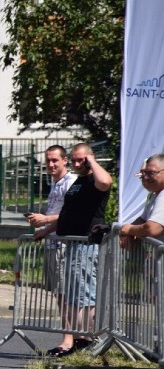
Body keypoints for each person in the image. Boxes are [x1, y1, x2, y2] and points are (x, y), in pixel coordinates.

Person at [35, 143, 112, 357]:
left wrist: (92, 162)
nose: (78, 164)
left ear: (90, 159)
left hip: (86, 244)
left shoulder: (95, 180)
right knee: (74, 294)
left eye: (82, 160)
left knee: (85, 292)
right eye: (75, 160)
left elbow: (106, 181)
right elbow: (67, 214)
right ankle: (79, 339)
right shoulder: (78, 182)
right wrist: (47, 230)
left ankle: (90, 339)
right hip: (72, 243)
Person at [30, 145, 77, 343]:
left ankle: (70, 339)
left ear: (65, 160)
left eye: (55, 160)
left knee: (66, 293)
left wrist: (46, 219)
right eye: (48, 160)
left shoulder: (70, 182)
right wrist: (44, 231)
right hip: (53, 243)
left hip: (64, 246)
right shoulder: (55, 183)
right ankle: (68, 337)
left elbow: (72, 214)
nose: (51, 164)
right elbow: (60, 219)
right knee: (59, 293)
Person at [119, 153, 164, 246]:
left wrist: (128, 229)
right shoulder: (156, 194)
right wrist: (128, 232)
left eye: (151, 173)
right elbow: (142, 220)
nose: (146, 177)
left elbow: (152, 229)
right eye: (144, 173)